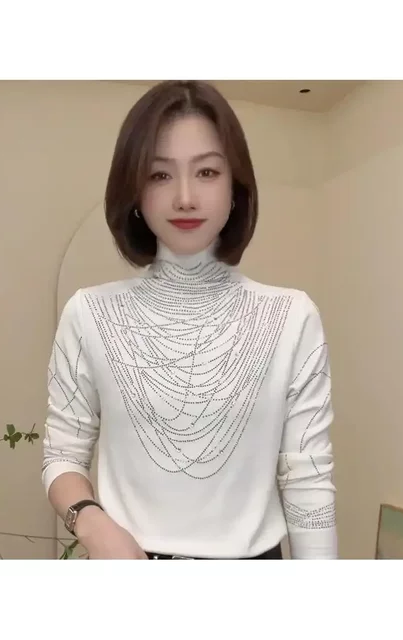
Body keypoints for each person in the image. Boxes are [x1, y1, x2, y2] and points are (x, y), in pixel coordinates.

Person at [42, 80, 338, 560]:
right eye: (160, 175)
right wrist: (92, 524)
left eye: (206, 172)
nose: (185, 197)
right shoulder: (88, 314)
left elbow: (308, 477)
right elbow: (62, 455)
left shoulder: (292, 317)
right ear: (134, 191)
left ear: (235, 187)